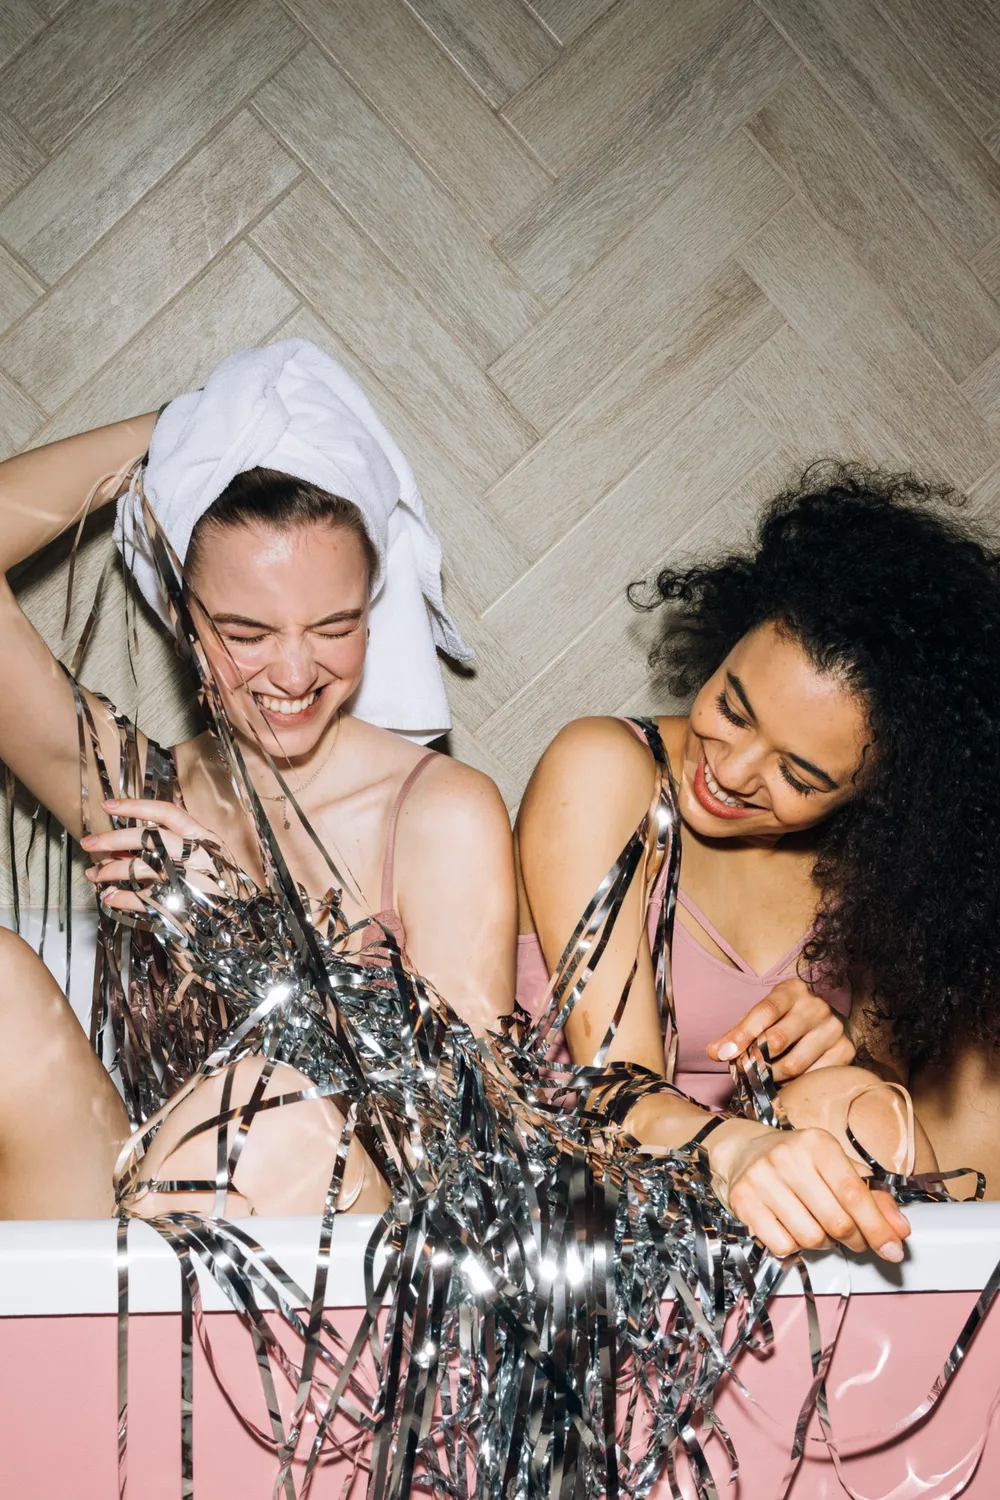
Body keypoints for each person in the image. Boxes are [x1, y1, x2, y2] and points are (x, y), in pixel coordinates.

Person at [0, 339, 515, 1219]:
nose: (295, 673)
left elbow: (471, 1146)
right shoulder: (141, 791)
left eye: (335, 627)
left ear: (371, 609)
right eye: (246, 633)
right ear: (182, 617)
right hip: (142, 1222)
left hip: (361, 1250)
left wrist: (240, 929)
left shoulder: (441, 813)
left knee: (261, 1113)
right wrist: (180, 431)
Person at [517, 465, 1000, 1262]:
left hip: (762, 1228)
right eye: (732, 708)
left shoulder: (883, 870)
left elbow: (881, 1105)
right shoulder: (605, 767)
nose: (733, 771)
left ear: (881, 790)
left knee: (855, 1103)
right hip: (573, 1201)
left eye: (799, 776)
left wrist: (837, 1049)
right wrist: (740, 1147)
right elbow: (611, 1092)